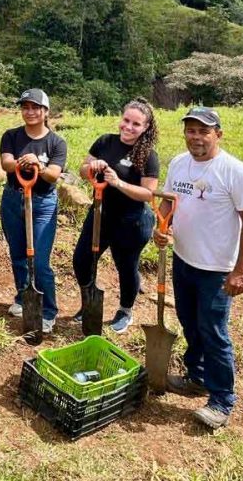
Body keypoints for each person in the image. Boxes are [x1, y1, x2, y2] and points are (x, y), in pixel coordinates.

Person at [154, 107, 243, 431]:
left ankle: (222, 400)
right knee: (190, 322)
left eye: (204, 131)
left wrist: (240, 271)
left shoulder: (235, 172)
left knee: (213, 332)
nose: (196, 137)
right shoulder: (178, 163)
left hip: (217, 269)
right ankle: (197, 377)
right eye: (191, 130)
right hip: (183, 259)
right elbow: (169, 201)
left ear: (218, 135)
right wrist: (161, 225)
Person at [73, 98, 161, 334]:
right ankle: (89, 302)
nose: (128, 127)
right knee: (82, 260)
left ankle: (125, 310)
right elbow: (82, 170)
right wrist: (92, 168)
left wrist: (118, 182)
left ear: (146, 127)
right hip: (100, 214)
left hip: (132, 220)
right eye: (126, 120)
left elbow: (148, 194)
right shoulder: (105, 141)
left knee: (126, 266)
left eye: (136, 124)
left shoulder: (148, 155)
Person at [0, 89, 66, 333]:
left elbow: (54, 175)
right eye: (25, 107)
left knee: (39, 260)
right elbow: (6, 163)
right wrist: (22, 161)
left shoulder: (56, 142)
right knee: (18, 254)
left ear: (46, 111)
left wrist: (39, 165)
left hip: (42, 204)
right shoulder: (11, 136)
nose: (30, 112)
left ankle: (48, 311)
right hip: (13, 199)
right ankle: (23, 296)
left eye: (35, 107)